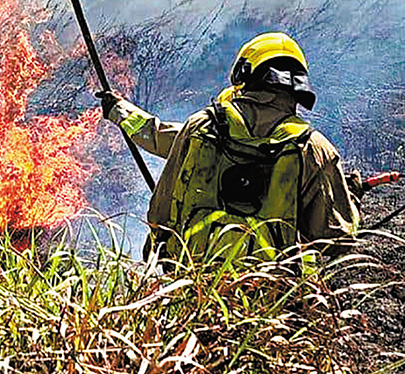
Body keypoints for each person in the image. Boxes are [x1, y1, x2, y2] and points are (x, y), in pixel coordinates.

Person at [97, 32, 361, 262]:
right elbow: (335, 239)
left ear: (244, 73)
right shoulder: (313, 149)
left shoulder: (203, 126)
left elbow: (161, 208)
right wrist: (350, 199)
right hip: (270, 301)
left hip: (190, 287)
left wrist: (119, 110)